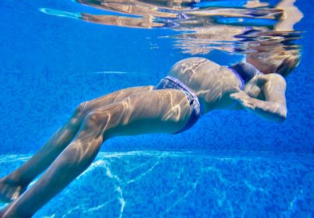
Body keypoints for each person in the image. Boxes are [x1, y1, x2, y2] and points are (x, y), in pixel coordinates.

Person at [0, 52, 300, 217]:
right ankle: (16, 181)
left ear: (282, 58)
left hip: (184, 103)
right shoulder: (238, 57)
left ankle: (18, 213)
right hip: (162, 88)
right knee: (83, 111)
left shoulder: (271, 78)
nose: (260, 41)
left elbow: (280, 111)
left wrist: (254, 103)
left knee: (97, 122)